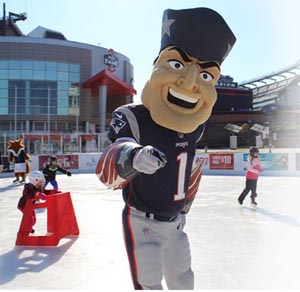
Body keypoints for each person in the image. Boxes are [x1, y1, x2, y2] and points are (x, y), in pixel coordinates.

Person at [95, 7, 236, 290]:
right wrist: (133, 156)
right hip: (142, 220)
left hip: (176, 223)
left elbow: (190, 168)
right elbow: (107, 170)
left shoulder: (195, 125)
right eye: (176, 65)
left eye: (206, 76)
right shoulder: (133, 115)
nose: (189, 82)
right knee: (149, 285)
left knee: (183, 282)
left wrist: (185, 206)